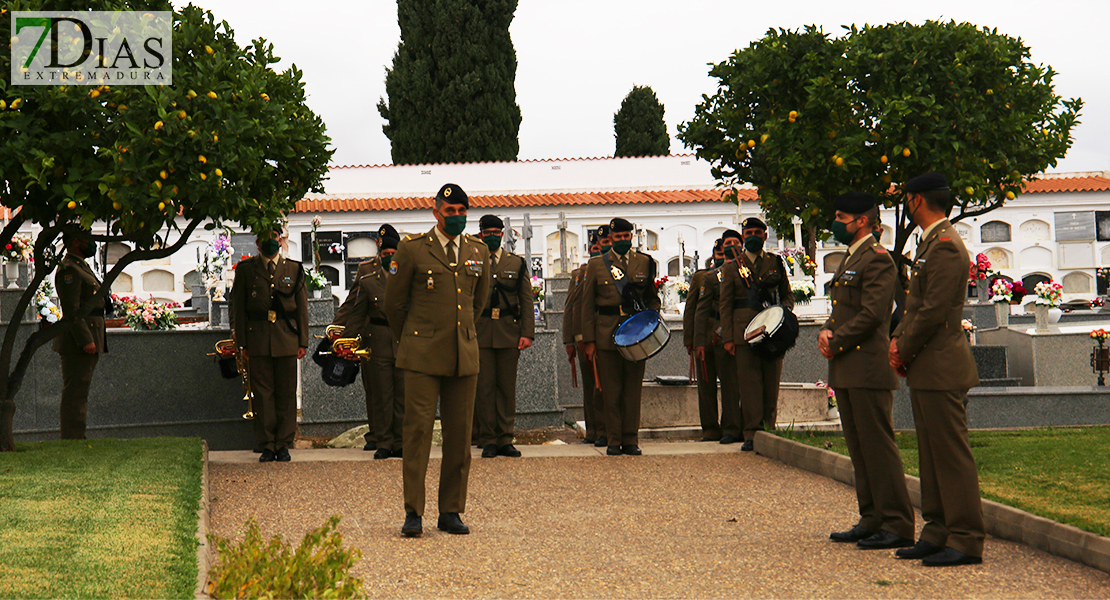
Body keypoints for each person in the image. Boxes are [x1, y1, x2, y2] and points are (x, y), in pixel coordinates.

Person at [889, 172, 984, 566]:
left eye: (906, 200)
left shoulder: (944, 245)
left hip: (942, 363)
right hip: (929, 364)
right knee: (930, 454)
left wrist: (901, 349)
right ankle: (937, 530)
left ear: (916, 200)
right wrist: (902, 345)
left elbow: (933, 311)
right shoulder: (930, 242)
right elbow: (918, 307)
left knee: (950, 455)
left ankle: (965, 538)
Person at [385, 183, 491, 537]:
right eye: (450, 212)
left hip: (463, 355)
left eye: (462, 212)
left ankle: (451, 511)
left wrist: (461, 333)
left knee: (460, 438)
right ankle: (413, 512)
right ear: (436, 212)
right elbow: (394, 305)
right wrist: (415, 339)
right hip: (422, 358)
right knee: (417, 435)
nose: (457, 218)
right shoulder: (413, 249)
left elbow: (479, 302)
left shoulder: (478, 250)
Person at [819, 192, 915, 550]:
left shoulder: (878, 259)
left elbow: (874, 314)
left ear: (862, 221)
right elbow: (844, 306)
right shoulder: (852, 257)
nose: (836, 222)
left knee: (878, 447)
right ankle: (872, 517)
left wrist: (837, 338)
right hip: (847, 366)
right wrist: (828, 328)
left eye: (841, 216)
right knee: (860, 448)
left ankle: (899, 523)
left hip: (867, 366)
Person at [581, 217, 661, 456]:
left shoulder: (644, 263)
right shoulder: (596, 265)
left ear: (631, 237)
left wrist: (653, 320)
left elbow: (652, 297)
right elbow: (587, 306)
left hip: (637, 334)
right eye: (618, 237)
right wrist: (589, 341)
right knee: (611, 390)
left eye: (627, 237)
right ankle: (614, 440)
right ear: (612, 239)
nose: (623, 240)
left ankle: (631, 439)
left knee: (632, 390)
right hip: (606, 334)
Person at [229, 226, 310, 463]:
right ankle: (266, 444)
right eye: (265, 238)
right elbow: (239, 307)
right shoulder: (245, 270)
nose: (270, 242)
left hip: (287, 339)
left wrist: (302, 341)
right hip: (257, 340)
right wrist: (241, 342)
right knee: (263, 395)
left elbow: (302, 309)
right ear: (257, 243)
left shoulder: (294, 269)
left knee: (286, 394)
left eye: (274, 237)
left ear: (280, 239)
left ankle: (283, 443)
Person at [719, 219, 793, 451]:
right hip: (744, 334)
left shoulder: (775, 263)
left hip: (772, 331)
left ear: (764, 235)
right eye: (748, 233)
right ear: (743, 236)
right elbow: (725, 305)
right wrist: (729, 338)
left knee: (771, 383)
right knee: (749, 385)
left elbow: (787, 294)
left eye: (757, 232)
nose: (752, 236)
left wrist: (783, 313)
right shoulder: (731, 268)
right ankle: (751, 433)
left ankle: (768, 430)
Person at [332, 224, 405, 459]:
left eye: (392, 253)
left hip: (403, 341)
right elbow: (354, 307)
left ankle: (401, 440)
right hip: (377, 340)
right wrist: (343, 338)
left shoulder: (408, 273)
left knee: (402, 395)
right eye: (385, 254)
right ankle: (382, 439)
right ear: (378, 251)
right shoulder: (367, 274)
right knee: (380, 394)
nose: (388, 258)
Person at [475, 214, 535, 458]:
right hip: (480, 333)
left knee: (506, 389)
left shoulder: (516, 263)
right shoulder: (473, 262)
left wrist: (527, 333)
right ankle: (488, 439)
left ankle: (505, 438)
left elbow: (526, 299)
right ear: (480, 235)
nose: (491, 236)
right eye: (486, 232)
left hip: (509, 333)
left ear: (502, 235)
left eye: (495, 233)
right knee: (484, 388)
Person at [53, 233, 108, 440]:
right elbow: (71, 309)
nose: (91, 243)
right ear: (76, 241)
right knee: (75, 392)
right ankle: (72, 438)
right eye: (86, 238)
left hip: (89, 335)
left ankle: (76, 436)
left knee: (80, 390)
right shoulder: (70, 269)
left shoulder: (81, 266)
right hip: (77, 341)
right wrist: (86, 339)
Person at [563, 231, 605, 445]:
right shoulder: (580, 274)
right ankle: (594, 431)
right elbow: (572, 307)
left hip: (609, 337)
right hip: (584, 340)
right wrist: (571, 340)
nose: (598, 252)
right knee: (591, 388)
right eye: (596, 248)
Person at [685, 239, 726, 442]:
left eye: (724, 255)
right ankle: (710, 427)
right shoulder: (701, 277)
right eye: (719, 255)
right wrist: (690, 340)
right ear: (713, 256)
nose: (722, 259)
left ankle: (730, 426)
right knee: (706, 385)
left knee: (730, 385)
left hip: (726, 337)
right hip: (705, 335)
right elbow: (691, 308)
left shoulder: (738, 273)